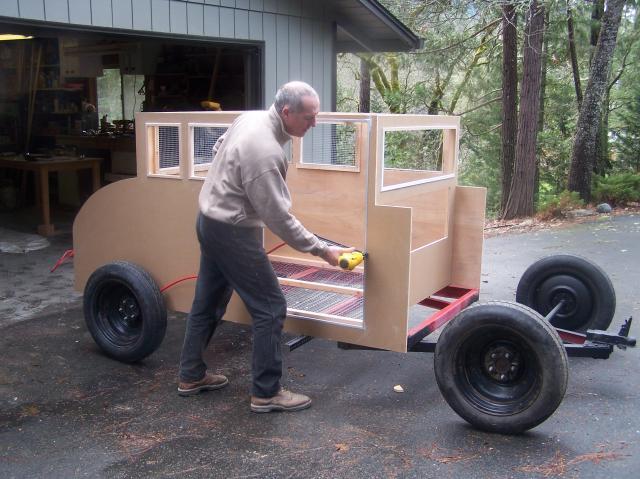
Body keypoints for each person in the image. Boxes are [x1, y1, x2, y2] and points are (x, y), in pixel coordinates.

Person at [178, 81, 354, 413]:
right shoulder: (266, 152)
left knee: (207, 302)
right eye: (308, 117)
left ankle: (190, 375)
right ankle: (266, 392)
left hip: (209, 220)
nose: (313, 124)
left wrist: (230, 183)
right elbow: (279, 218)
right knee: (270, 307)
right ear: (287, 112)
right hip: (232, 232)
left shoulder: (251, 118)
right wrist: (323, 250)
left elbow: (219, 147)